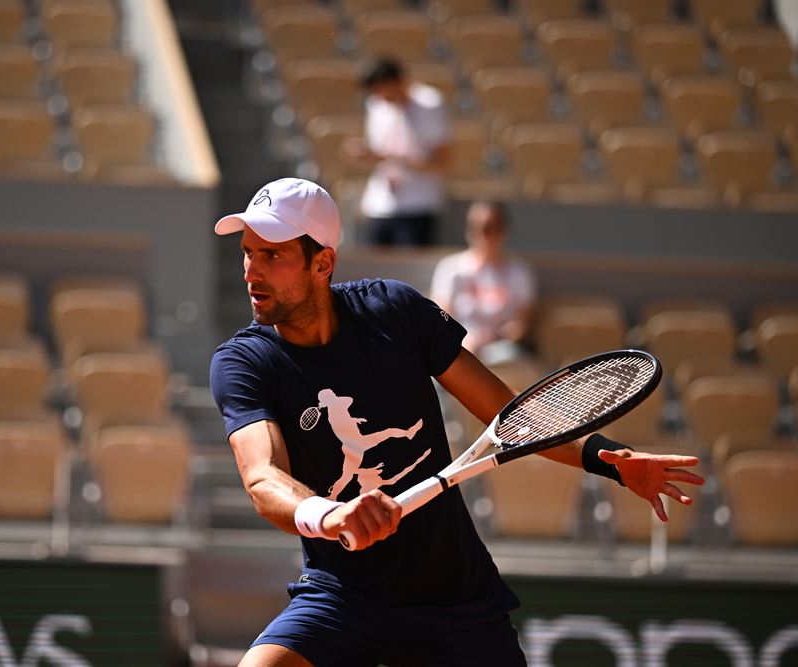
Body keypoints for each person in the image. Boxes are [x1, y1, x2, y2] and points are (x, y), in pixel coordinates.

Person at [209, 177, 704, 667]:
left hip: (456, 605)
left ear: (323, 263)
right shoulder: (243, 362)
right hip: (343, 597)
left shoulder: (394, 310)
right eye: (248, 252)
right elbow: (263, 478)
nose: (252, 271)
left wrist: (611, 461)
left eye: (272, 255)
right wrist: (329, 515)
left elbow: (512, 413)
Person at [342, 59, 450, 247]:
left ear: (396, 82)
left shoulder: (430, 103)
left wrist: (388, 157)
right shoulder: (376, 104)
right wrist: (366, 155)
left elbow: (442, 161)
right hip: (380, 205)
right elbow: (378, 152)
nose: (381, 97)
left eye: (383, 90)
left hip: (418, 205)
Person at [429, 201, 537, 365]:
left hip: (500, 347)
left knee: (510, 358)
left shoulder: (520, 272)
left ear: (504, 230)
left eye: (493, 227)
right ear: (468, 230)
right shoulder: (450, 267)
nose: (486, 234)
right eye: (479, 227)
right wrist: (468, 340)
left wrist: (492, 337)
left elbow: (521, 324)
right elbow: (441, 317)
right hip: (458, 344)